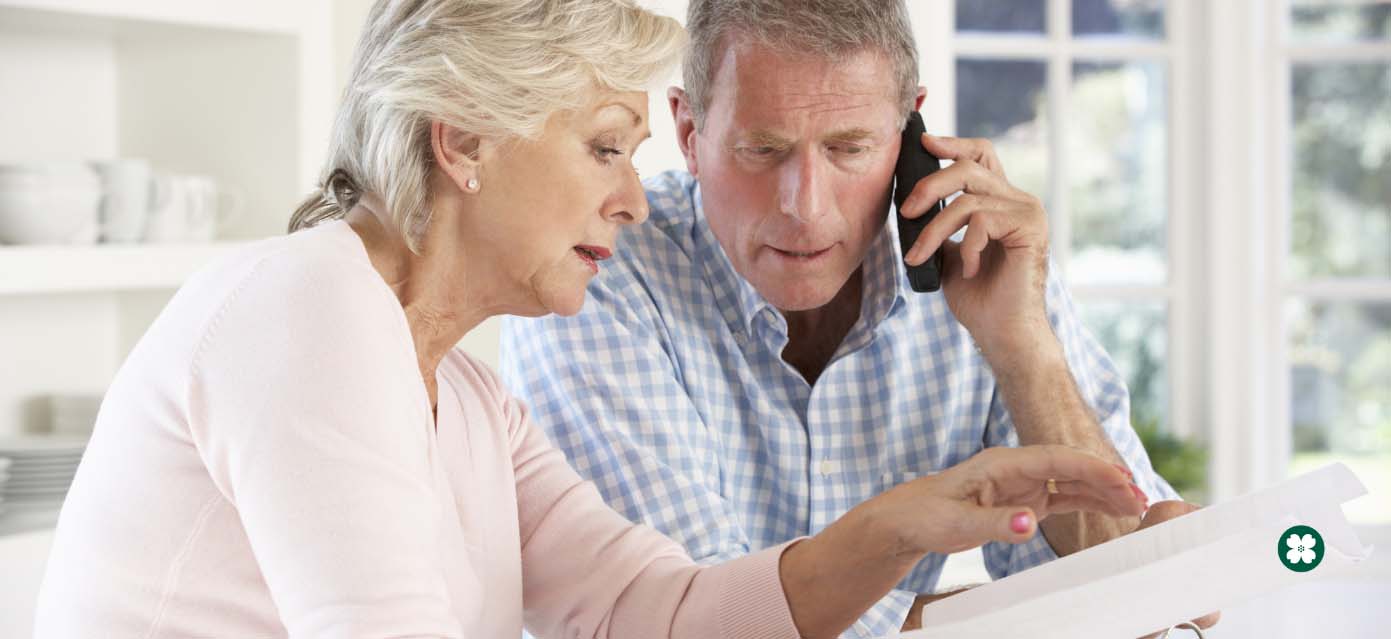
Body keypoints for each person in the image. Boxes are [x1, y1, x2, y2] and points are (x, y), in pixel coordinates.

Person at [34, 1, 1146, 637]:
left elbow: (647, 611)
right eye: (604, 146)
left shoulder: (461, 397)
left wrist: (900, 525)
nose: (629, 193)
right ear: (461, 140)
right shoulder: (310, 304)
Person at [500, 0, 1218, 636]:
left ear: (910, 131)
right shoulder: (598, 269)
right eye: (763, 149)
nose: (804, 205)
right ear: (689, 131)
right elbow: (688, 616)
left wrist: (1021, 342)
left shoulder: (983, 265)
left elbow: (1137, 584)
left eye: (848, 149)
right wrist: (998, 617)